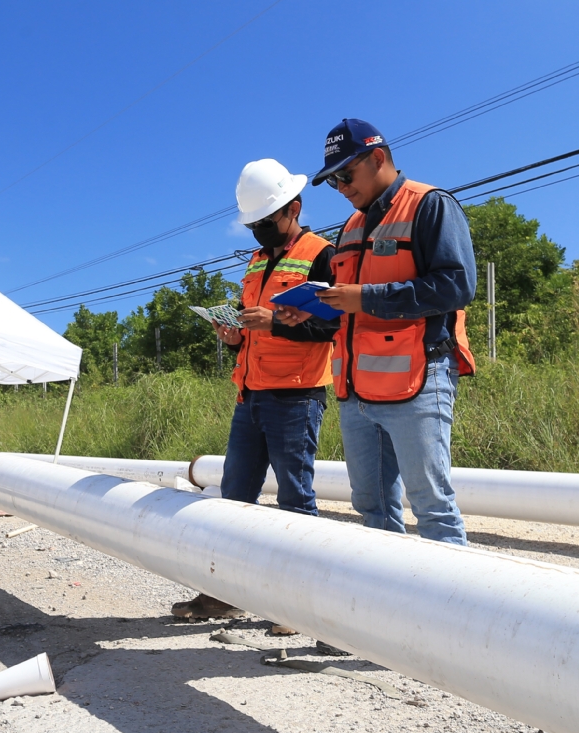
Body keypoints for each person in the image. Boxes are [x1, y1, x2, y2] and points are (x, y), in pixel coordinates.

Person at [172, 158, 339, 625]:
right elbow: (256, 327)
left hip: (296, 397)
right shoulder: (257, 261)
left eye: (266, 222)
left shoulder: (322, 254)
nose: (259, 232)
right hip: (250, 395)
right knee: (234, 500)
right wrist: (236, 335)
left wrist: (275, 326)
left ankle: (297, 603)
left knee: (295, 501)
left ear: (294, 208)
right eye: (253, 225)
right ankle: (224, 593)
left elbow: (334, 329)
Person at [307, 118, 477, 545]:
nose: (342, 189)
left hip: (417, 381)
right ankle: (385, 607)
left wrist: (365, 297)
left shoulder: (430, 205)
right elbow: (345, 307)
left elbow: (456, 286)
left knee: (431, 506)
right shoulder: (349, 229)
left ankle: (452, 609)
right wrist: (310, 312)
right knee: (372, 505)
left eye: (346, 176)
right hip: (356, 392)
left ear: (378, 158)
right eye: (333, 183)